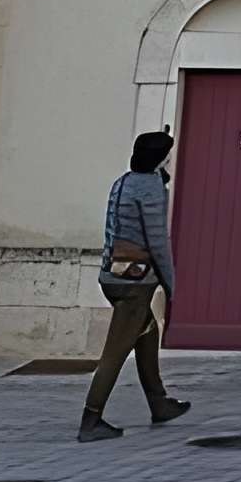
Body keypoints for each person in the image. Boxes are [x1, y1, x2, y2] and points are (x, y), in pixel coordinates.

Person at [80, 128, 192, 439]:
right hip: (135, 282)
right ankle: (91, 420)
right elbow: (157, 241)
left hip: (112, 275)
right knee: (115, 353)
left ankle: (159, 403)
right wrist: (171, 285)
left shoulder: (124, 182)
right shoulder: (150, 188)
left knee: (147, 333)